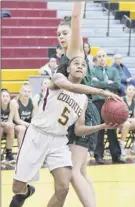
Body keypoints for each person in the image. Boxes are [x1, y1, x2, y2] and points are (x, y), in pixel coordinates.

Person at [9, 56, 120, 207]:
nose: (80, 66)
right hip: (37, 135)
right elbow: (72, 87)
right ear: (68, 68)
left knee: (63, 188)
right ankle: (26, 192)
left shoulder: (83, 99)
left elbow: (79, 129)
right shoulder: (58, 78)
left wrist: (101, 126)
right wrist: (102, 91)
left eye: (83, 65)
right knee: (17, 187)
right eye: (76, 63)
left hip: (59, 141)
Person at [56, 2, 121, 207]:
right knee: (81, 171)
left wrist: (79, 5)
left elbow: (76, 17)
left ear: (73, 33)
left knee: (73, 173)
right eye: (58, 34)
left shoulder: (75, 49)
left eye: (65, 32)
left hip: (84, 110)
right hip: (79, 110)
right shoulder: (66, 56)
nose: (61, 37)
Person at [91, 49, 126, 164]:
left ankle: (116, 156)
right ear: (96, 58)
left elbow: (117, 84)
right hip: (98, 102)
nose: (102, 58)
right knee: (100, 129)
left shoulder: (113, 70)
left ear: (107, 57)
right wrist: (108, 84)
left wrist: (101, 84)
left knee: (112, 129)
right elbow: (93, 84)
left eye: (103, 56)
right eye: (99, 56)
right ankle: (98, 155)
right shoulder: (92, 70)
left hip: (112, 102)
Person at [11, 83, 37, 147]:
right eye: (24, 91)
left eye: (29, 92)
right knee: (22, 128)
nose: (26, 93)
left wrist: (33, 125)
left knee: (39, 129)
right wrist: (30, 125)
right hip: (15, 125)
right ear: (20, 92)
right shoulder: (14, 102)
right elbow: (17, 120)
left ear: (31, 93)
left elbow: (34, 118)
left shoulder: (33, 102)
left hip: (28, 125)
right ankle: (21, 152)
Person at [118, 84, 135, 155]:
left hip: (129, 122)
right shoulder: (121, 99)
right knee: (126, 123)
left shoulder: (134, 101)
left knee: (129, 123)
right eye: (129, 89)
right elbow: (118, 115)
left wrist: (130, 119)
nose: (131, 91)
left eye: (133, 90)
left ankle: (134, 145)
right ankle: (121, 146)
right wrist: (127, 119)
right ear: (125, 91)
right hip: (119, 123)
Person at [0, 89, 15, 163]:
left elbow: (10, 120)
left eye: (7, 96)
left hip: (5, 126)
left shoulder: (12, 105)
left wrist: (9, 124)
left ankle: (9, 153)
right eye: (3, 96)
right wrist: (4, 124)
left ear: (9, 98)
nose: (5, 98)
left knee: (11, 128)